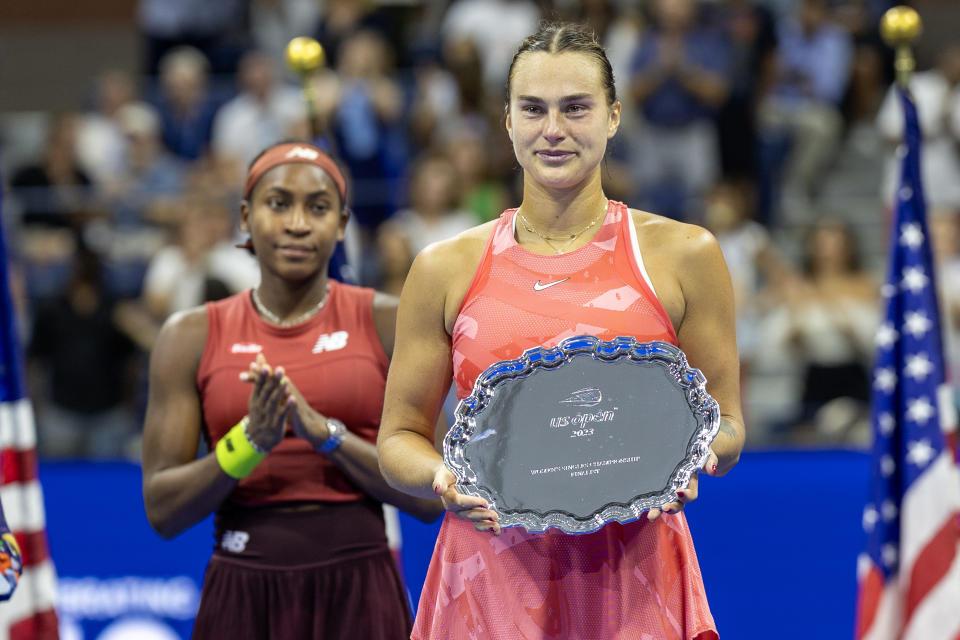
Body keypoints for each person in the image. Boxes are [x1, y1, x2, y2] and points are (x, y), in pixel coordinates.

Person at [377, 22, 746, 639]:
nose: (553, 130)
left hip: (635, 577)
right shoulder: (443, 268)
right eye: (533, 109)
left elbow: (728, 422)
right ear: (507, 121)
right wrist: (445, 476)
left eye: (576, 108)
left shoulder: (685, 254)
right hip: (490, 581)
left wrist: (692, 456)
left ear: (613, 117)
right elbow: (398, 440)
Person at [141, 141, 441, 639]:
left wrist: (327, 436)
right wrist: (248, 445)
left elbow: (434, 494)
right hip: (242, 592)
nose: (297, 223)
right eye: (278, 203)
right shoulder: (187, 337)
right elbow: (162, 510)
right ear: (245, 215)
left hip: (361, 593)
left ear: (342, 225)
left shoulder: (390, 321)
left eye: (318, 207)